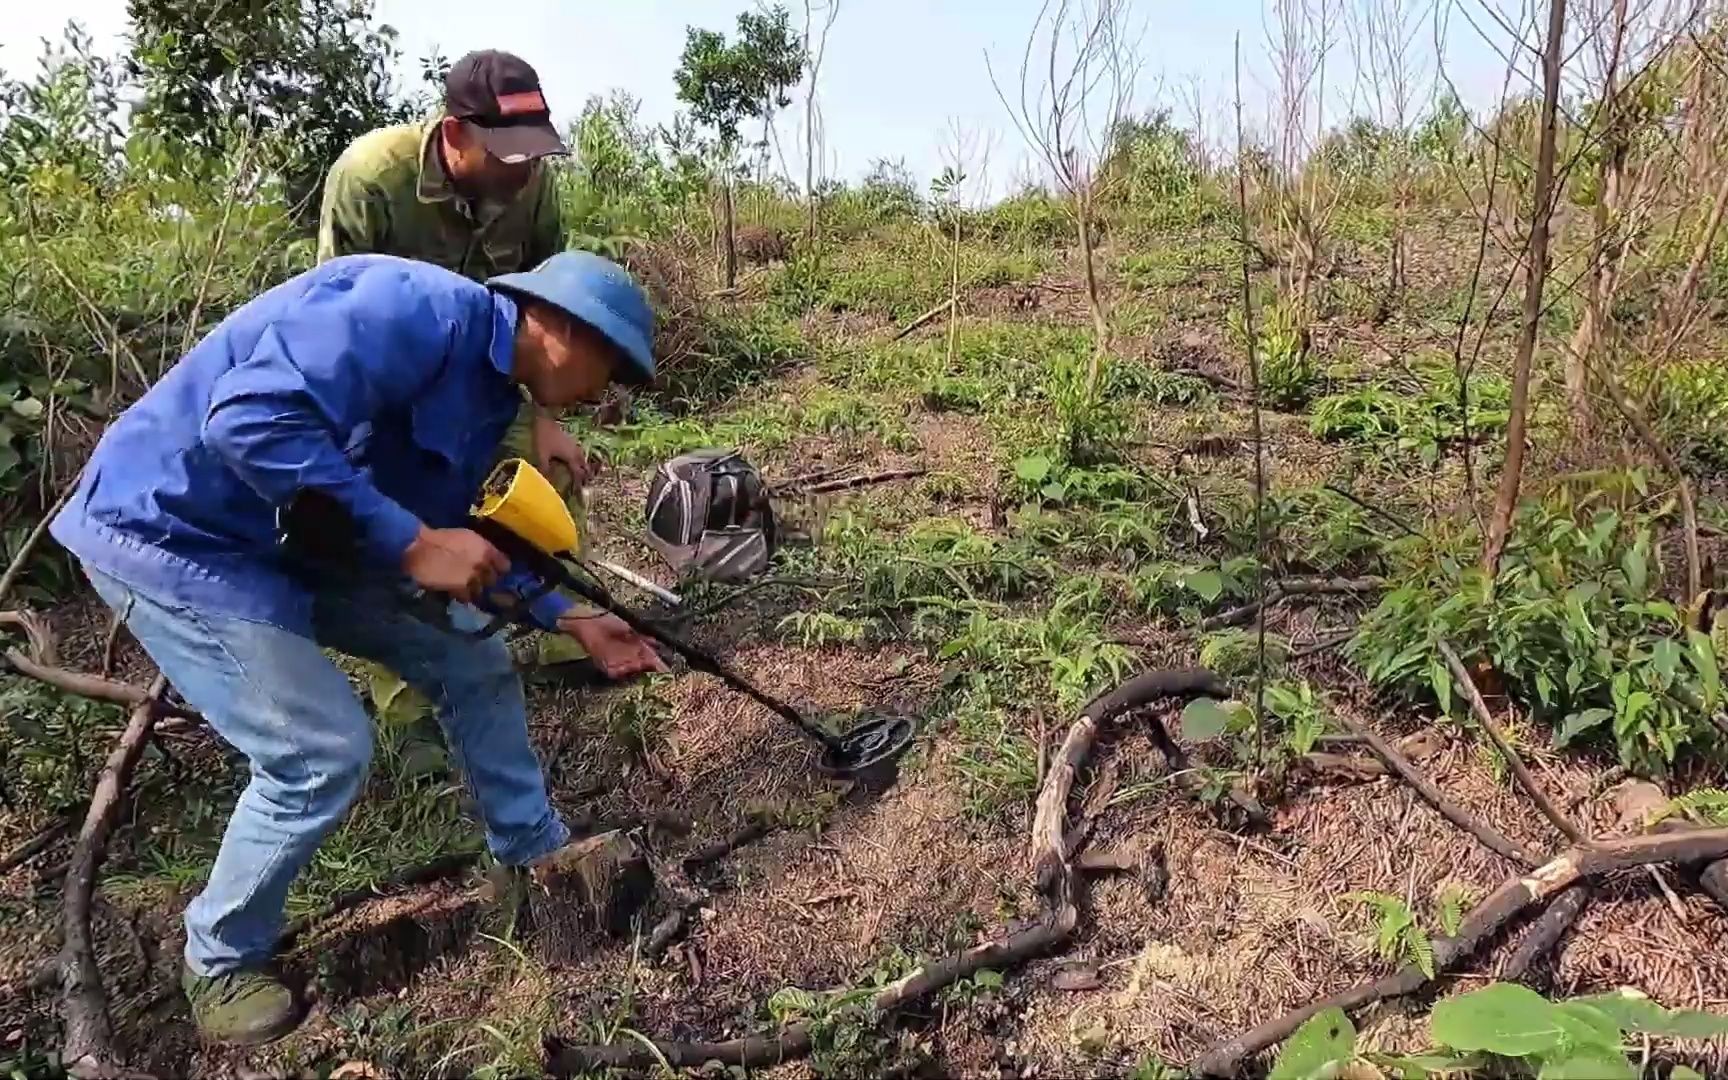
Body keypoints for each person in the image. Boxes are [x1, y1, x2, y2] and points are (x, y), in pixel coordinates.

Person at [49, 251, 668, 1046]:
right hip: (176, 532)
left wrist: (567, 617)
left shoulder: (489, 394)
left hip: (296, 541)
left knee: (470, 655)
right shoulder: (409, 307)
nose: (600, 395)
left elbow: (452, 537)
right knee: (319, 750)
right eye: (608, 368)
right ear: (561, 327)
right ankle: (219, 956)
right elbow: (247, 420)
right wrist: (410, 545)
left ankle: (532, 856)